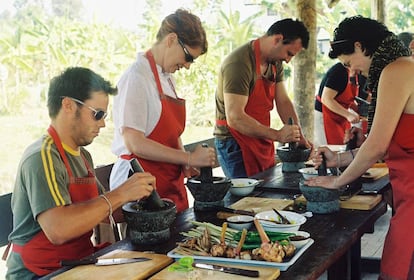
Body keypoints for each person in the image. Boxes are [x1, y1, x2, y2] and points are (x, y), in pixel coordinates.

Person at [5, 67, 155, 279]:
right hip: (40, 273)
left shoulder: (82, 155)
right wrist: (121, 194)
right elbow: (59, 230)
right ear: (68, 105)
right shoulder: (43, 157)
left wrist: (138, 198)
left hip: (77, 266)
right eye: (97, 114)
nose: (103, 123)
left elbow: (103, 210)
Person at [305, 16, 413, 280]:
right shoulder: (401, 66)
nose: (351, 71)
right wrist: (339, 158)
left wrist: (338, 182)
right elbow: (383, 142)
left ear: (360, 46)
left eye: (348, 62)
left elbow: (376, 147)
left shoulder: (396, 70)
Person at [110, 9, 216, 214]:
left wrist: (185, 161)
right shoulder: (137, 78)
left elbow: (172, 133)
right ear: (171, 39)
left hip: (168, 181)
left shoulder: (167, 78)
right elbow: (135, 142)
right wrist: (188, 158)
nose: (186, 66)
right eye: (188, 57)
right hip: (143, 187)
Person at [214, 18, 312, 178]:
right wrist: (277, 135)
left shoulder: (275, 63)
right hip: (235, 142)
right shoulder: (239, 63)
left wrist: (298, 135)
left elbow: (283, 101)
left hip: (260, 136)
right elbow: (235, 118)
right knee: (244, 201)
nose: (288, 60)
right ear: (277, 39)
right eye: (288, 53)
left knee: (264, 194)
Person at [314, 62, 368, 146]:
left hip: (341, 118)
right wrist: (348, 115)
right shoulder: (339, 72)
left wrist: (360, 110)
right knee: (331, 149)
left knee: (342, 148)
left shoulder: (357, 75)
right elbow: (326, 99)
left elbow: (353, 98)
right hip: (325, 116)